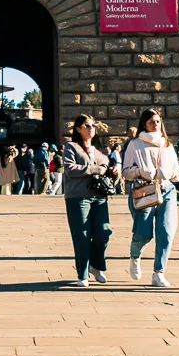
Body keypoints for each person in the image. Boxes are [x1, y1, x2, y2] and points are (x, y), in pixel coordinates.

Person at [120, 108, 179, 287]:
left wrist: (175, 174)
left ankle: (159, 273)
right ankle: (135, 256)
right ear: (144, 125)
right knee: (144, 233)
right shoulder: (135, 144)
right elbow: (126, 172)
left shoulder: (167, 144)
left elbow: (176, 170)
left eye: (158, 121)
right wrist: (141, 172)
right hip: (145, 189)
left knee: (166, 231)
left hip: (167, 189)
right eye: (151, 122)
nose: (156, 124)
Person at [59, 115, 117, 286]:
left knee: (103, 233)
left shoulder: (100, 151)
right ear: (78, 128)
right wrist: (96, 169)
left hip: (99, 197)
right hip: (78, 196)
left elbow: (105, 168)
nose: (91, 128)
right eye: (87, 125)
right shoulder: (72, 147)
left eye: (93, 125)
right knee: (82, 236)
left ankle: (96, 265)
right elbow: (70, 169)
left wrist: (111, 171)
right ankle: (82, 274)